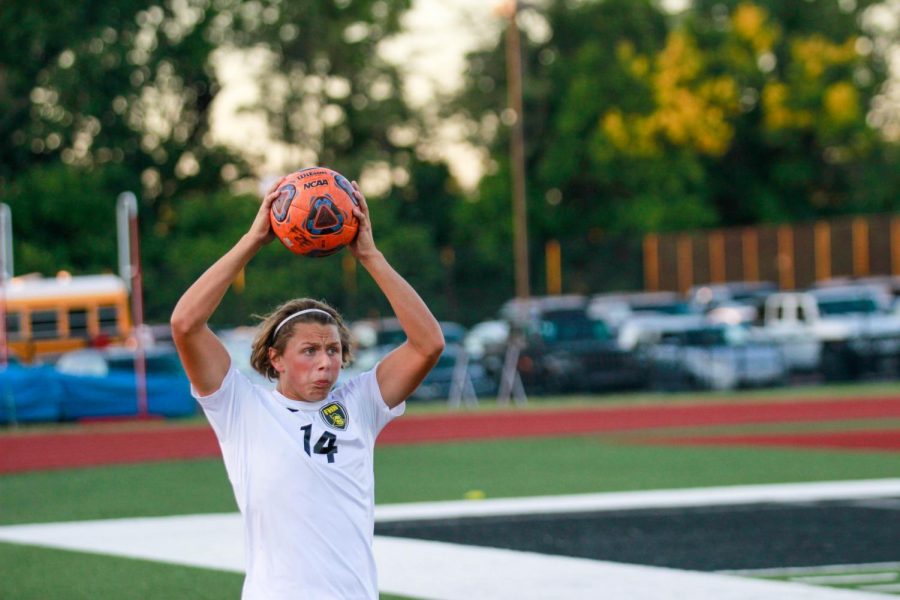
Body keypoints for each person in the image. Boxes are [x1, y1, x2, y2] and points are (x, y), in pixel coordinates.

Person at [170, 176, 445, 599]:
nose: (326, 363)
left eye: (333, 350)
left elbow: (428, 344)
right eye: (310, 351)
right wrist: (252, 241)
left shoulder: (360, 404)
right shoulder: (240, 408)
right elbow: (186, 324)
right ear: (276, 359)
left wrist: (370, 255)